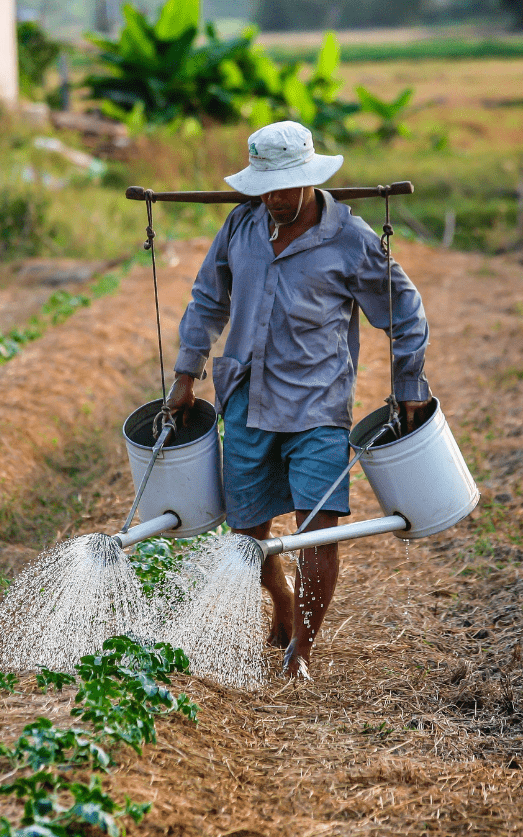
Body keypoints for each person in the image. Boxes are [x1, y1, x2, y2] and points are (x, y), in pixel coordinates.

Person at [167, 121, 432, 677]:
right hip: (245, 400)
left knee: (319, 529)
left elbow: (404, 312)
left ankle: (301, 652)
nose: (275, 199)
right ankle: (283, 603)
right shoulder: (241, 225)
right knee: (247, 534)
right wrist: (186, 374)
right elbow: (207, 299)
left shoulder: (350, 239)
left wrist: (408, 386)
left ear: (310, 180)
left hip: (318, 406)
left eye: (286, 187)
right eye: (266, 187)